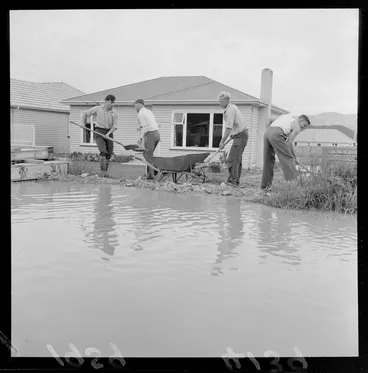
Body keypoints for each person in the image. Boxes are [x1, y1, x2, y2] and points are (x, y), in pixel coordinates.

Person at [260, 113, 311, 190]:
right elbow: (289, 142)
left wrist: (268, 131)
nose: (304, 128)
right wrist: (295, 157)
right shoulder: (297, 127)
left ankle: (265, 187)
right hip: (276, 133)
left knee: (268, 160)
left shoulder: (285, 117)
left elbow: (269, 119)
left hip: (267, 133)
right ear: (301, 120)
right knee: (288, 159)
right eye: (304, 125)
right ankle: (293, 186)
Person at [81, 94, 118, 177]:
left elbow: (114, 126)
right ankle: (102, 172)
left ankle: (105, 172)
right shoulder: (97, 109)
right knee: (103, 151)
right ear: (106, 101)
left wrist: (108, 134)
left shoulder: (114, 112)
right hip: (99, 131)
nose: (113, 105)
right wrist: (83, 123)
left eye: (114, 103)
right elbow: (85, 113)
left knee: (109, 153)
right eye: (111, 103)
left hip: (109, 132)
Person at [218, 91, 249, 187]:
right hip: (239, 135)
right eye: (219, 101)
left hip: (240, 135)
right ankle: (235, 181)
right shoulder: (233, 107)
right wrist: (233, 134)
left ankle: (232, 182)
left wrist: (222, 141)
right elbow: (236, 124)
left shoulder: (230, 110)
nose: (219, 103)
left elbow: (228, 127)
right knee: (237, 159)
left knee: (232, 159)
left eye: (221, 101)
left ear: (226, 100)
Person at [134, 99, 160, 180]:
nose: (135, 108)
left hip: (151, 135)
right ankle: (151, 172)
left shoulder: (140, 113)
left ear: (138, 104)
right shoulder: (149, 111)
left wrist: (141, 138)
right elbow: (149, 123)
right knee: (150, 155)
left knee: (147, 156)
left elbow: (145, 126)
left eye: (135, 106)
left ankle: (150, 175)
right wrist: (140, 127)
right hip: (157, 134)